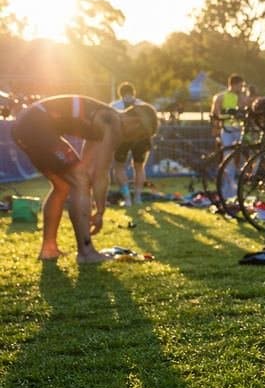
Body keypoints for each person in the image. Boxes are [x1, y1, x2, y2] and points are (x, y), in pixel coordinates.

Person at [11, 96, 158, 263]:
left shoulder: (104, 119)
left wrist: (89, 193)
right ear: (137, 123)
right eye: (141, 135)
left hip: (25, 125)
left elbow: (87, 167)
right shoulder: (113, 123)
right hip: (35, 124)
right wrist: (100, 211)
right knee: (79, 180)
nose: (134, 140)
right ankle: (86, 253)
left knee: (64, 185)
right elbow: (101, 174)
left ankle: (48, 249)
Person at [110, 81, 152, 207]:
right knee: (139, 167)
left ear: (120, 93)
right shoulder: (143, 105)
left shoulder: (114, 106)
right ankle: (138, 197)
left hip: (123, 138)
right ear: (134, 92)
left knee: (118, 167)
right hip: (141, 138)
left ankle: (127, 198)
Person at [210, 74, 249, 202]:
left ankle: (237, 188)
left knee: (241, 159)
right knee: (228, 158)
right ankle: (227, 189)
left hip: (239, 130)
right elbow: (215, 114)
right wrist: (216, 130)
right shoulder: (220, 97)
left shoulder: (242, 97)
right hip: (227, 130)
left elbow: (245, 110)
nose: (241, 88)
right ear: (233, 84)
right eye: (240, 85)